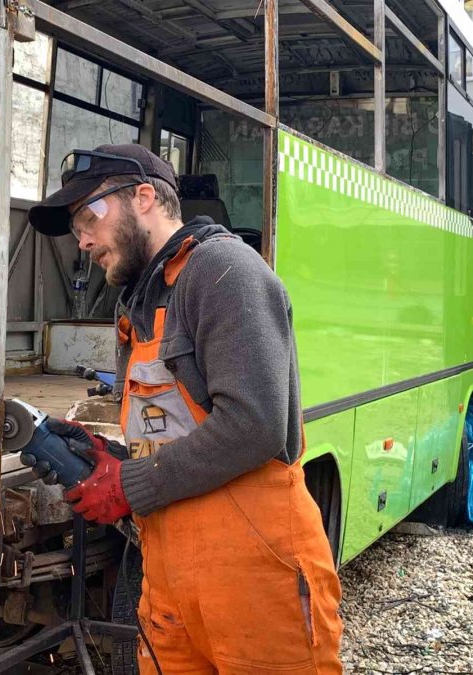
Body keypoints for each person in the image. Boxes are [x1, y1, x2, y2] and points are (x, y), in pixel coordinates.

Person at [25, 144, 343, 674]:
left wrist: (128, 485)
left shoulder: (223, 270)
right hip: (170, 574)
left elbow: (256, 422)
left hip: (255, 570)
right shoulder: (140, 301)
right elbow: (174, 432)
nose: (82, 241)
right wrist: (109, 456)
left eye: (88, 218)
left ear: (143, 198)